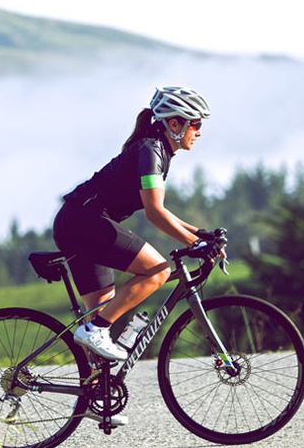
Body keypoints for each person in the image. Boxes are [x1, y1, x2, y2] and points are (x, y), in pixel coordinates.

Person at [53, 86, 221, 365]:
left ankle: (94, 402)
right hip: (84, 222)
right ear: (175, 123)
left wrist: (201, 235)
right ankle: (96, 330)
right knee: (157, 271)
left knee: (100, 319)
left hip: (78, 223)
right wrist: (194, 244)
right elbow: (154, 213)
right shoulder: (151, 151)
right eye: (196, 124)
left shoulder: (157, 150)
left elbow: (159, 210)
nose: (199, 132)